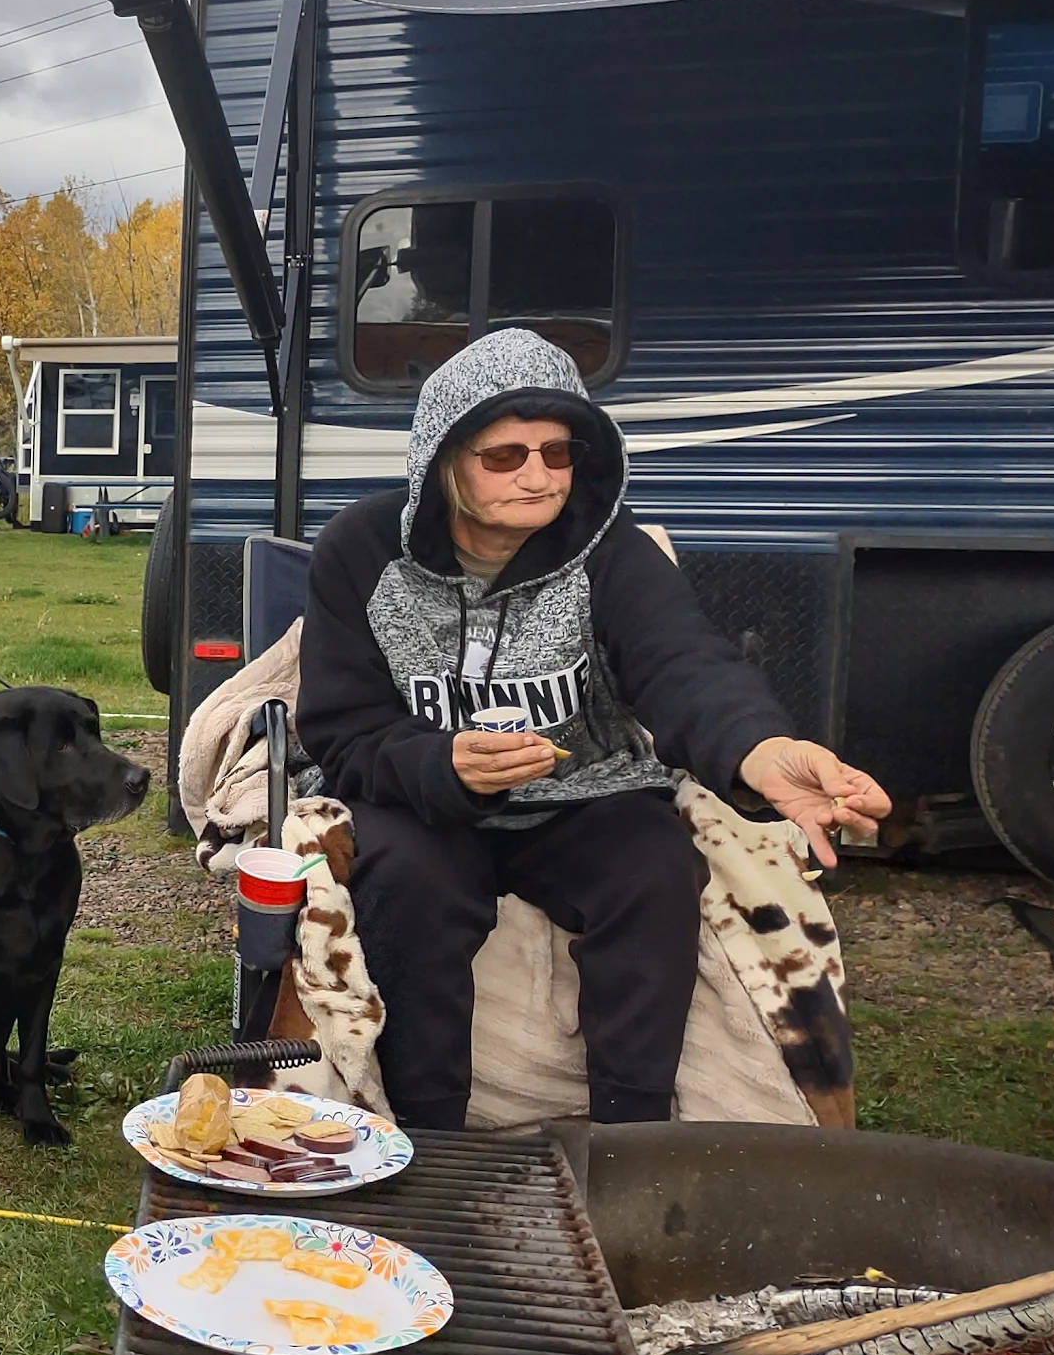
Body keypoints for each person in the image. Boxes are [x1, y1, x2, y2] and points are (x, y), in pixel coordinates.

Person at [296, 328, 889, 1131]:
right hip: (421, 796)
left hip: (582, 790)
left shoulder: (612, 551)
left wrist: (762, 752)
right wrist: (442, 763)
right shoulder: (360, 552)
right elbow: (343, 728)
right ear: (444, 461)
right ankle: (429, 1136)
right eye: (505, 455)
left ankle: (628, 1135)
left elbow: (683, 663)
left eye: (558, 451)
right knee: (413, 882)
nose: (538, 475)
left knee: (652, 864)